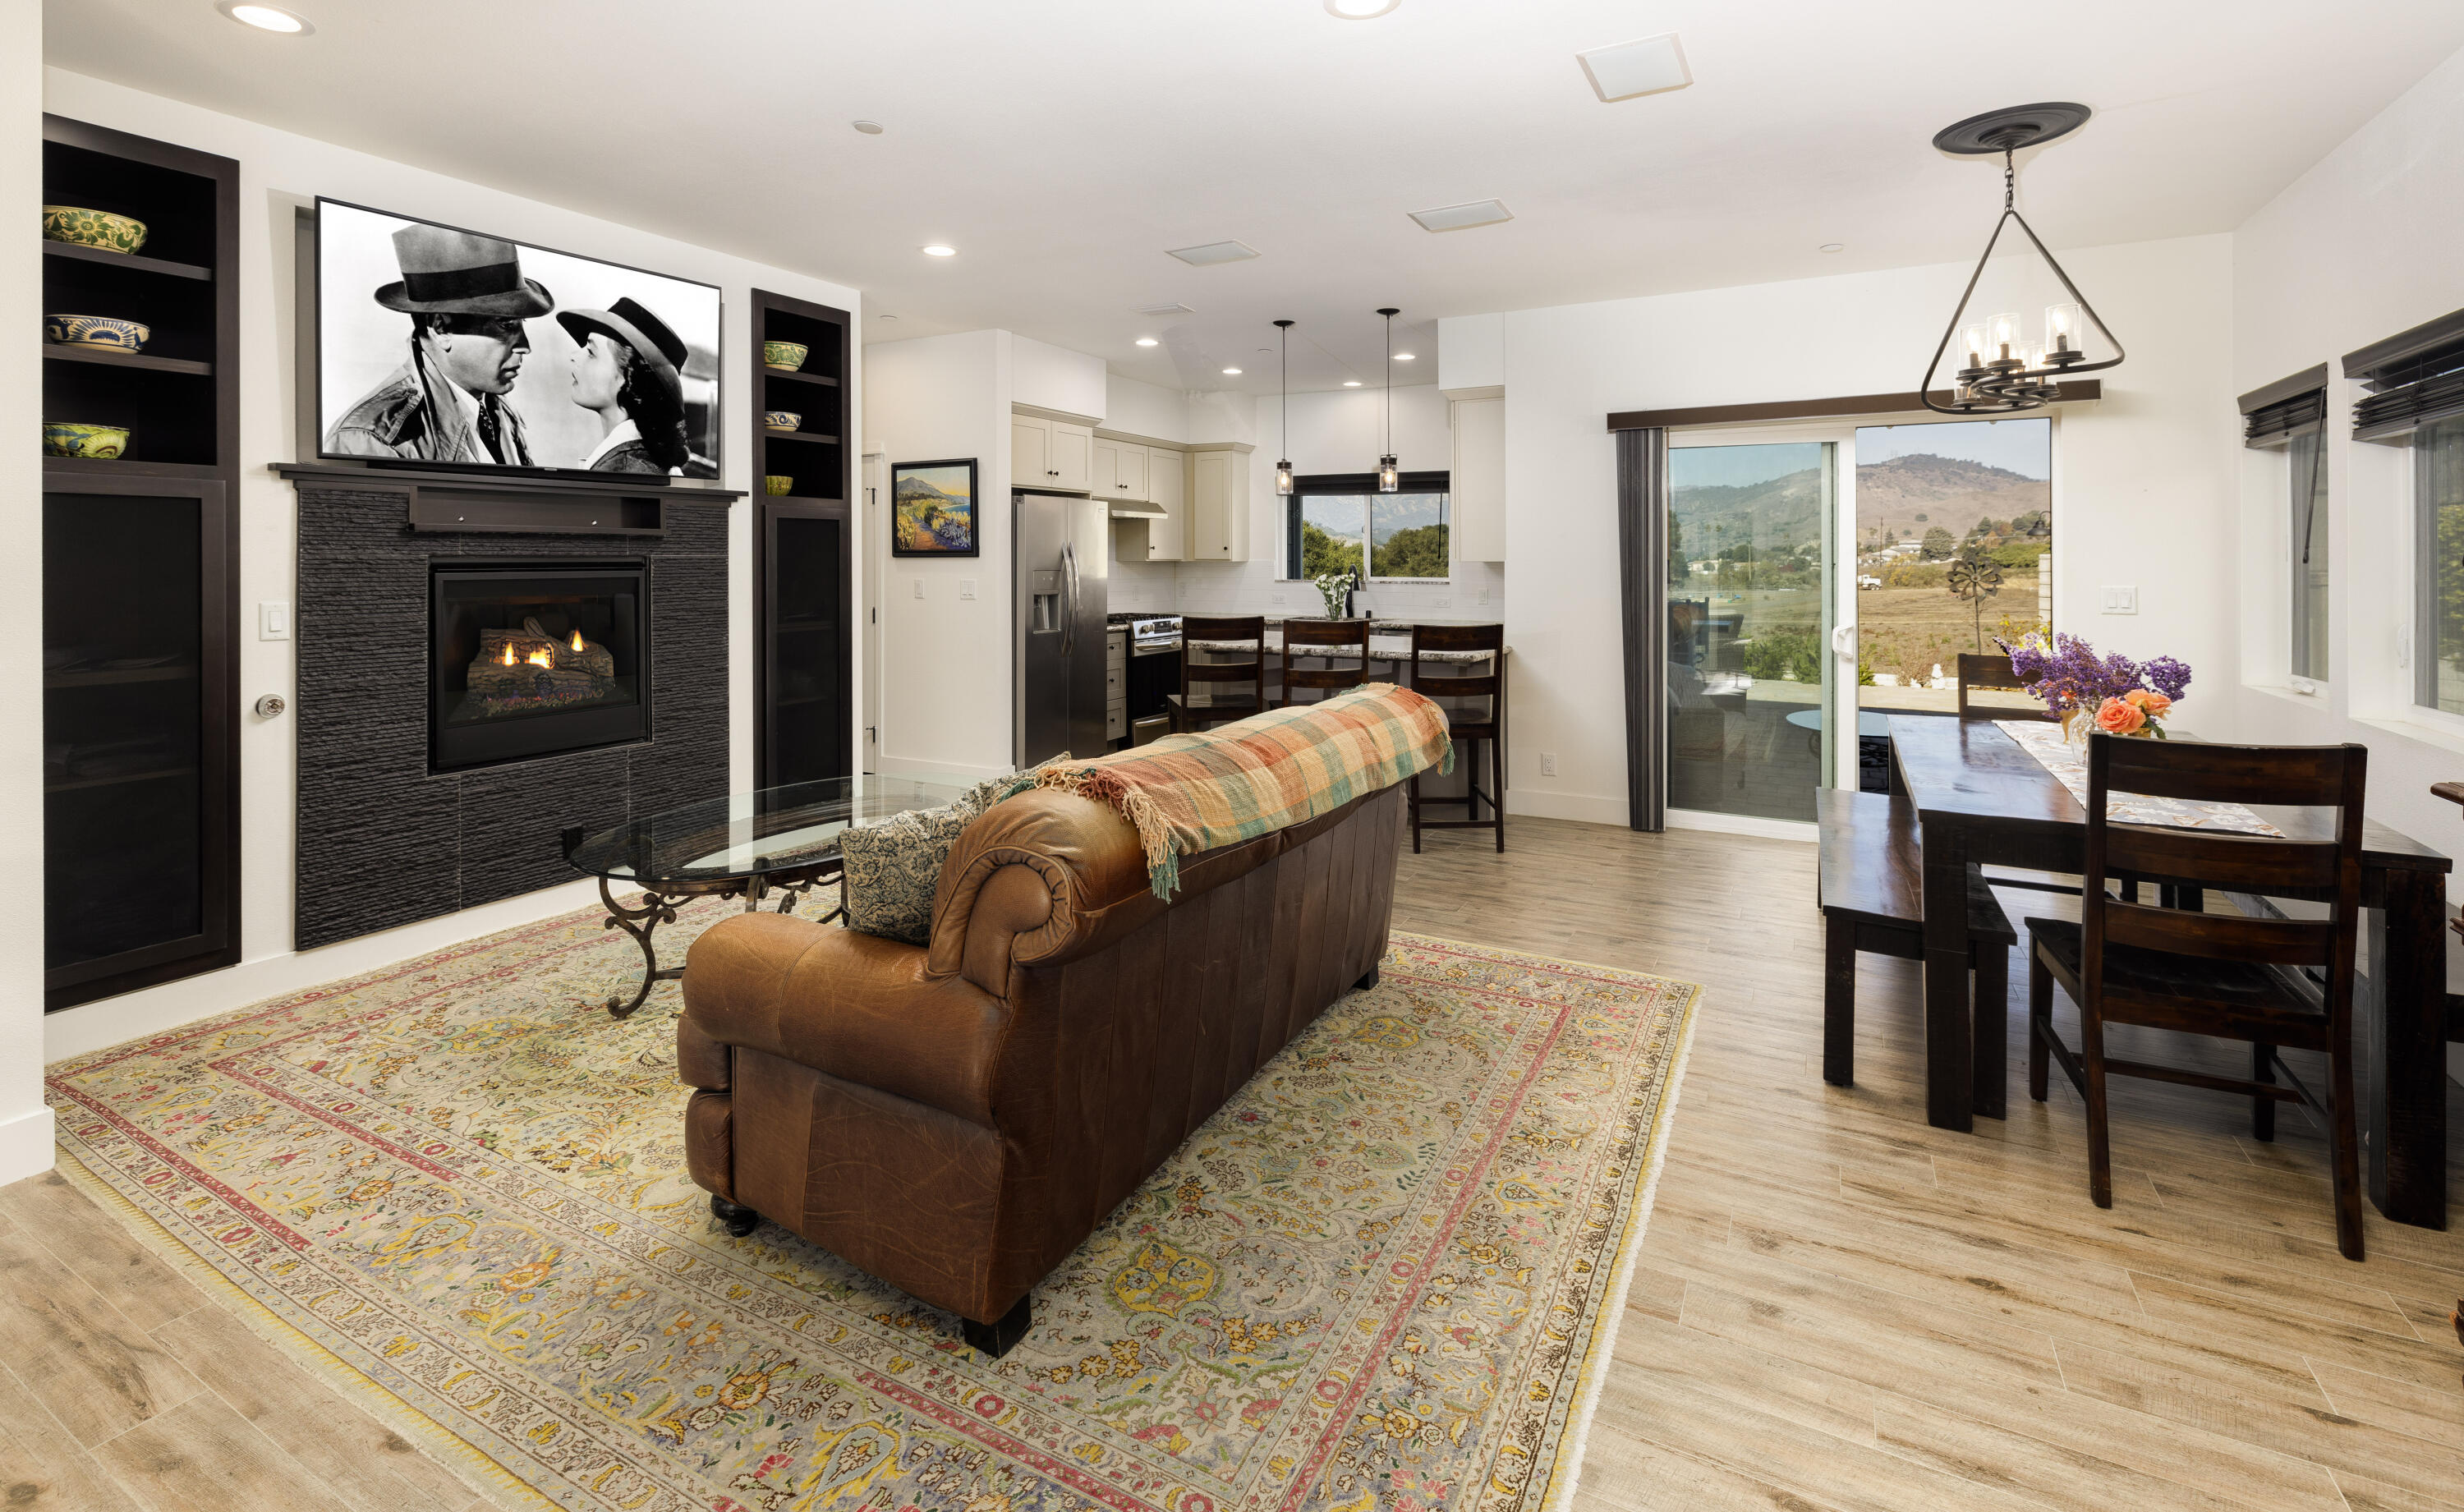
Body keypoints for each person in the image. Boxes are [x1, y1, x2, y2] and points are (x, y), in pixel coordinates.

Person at [325, 223, 553, 464]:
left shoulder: (496, 409)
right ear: (440, 328)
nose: (525, 346)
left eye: (522, 323)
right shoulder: (371, 440)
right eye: (506, 324)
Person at [555, 296, 692, 474]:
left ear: (628, 377)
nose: (574, 356)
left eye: (590, 352)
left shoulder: (625, 469)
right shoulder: (634, 460)